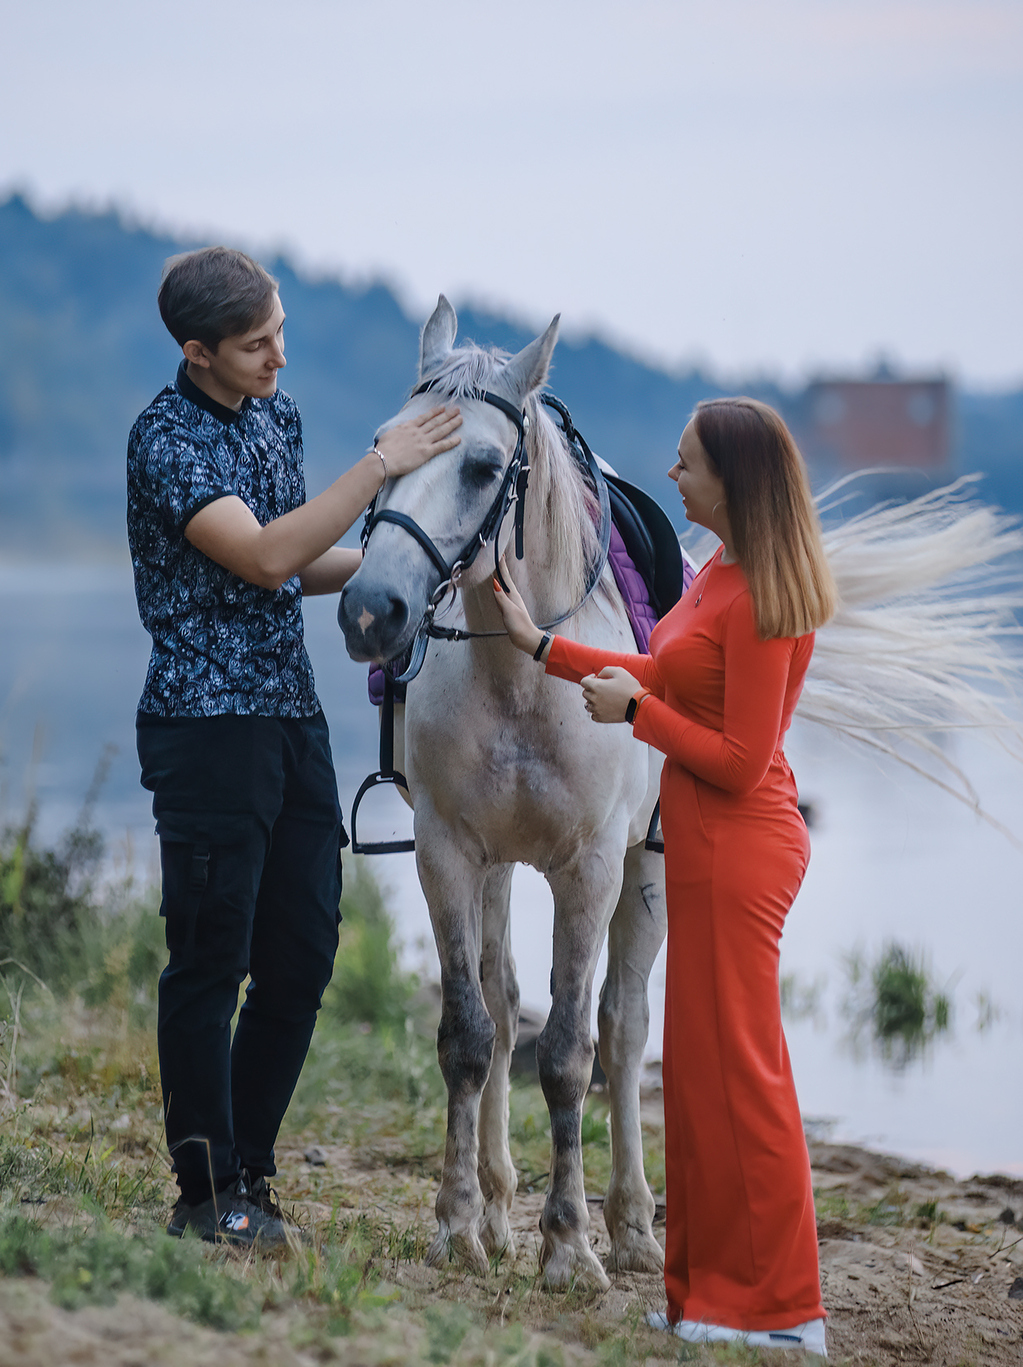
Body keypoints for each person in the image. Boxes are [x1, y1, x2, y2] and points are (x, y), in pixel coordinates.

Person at [127, 246, 461, 1248]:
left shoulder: (277, 416)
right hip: (203, 728)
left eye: (279, 329)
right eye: (254, 343)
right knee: (209, 959)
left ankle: (249, 1174)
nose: (278, 353)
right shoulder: (165, 438)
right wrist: (384, 463)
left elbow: (297, 561)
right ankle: (202, 1193)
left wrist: (418, 563)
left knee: (302, 954)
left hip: (290, 718)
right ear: (197, 351)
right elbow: (263, 551)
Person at [491, 397, 838, 1352]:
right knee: (694, 1077)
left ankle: (786, 1313)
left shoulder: (765, 594)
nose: (673, 474)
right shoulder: (718, 570)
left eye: (687, 464)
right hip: (701, 844)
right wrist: (542, 648)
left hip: (740, 846)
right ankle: (711, 1299)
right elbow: (654, 667)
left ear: (735, 478)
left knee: (745, 1079)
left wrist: (634, 718)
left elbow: (740, 757)